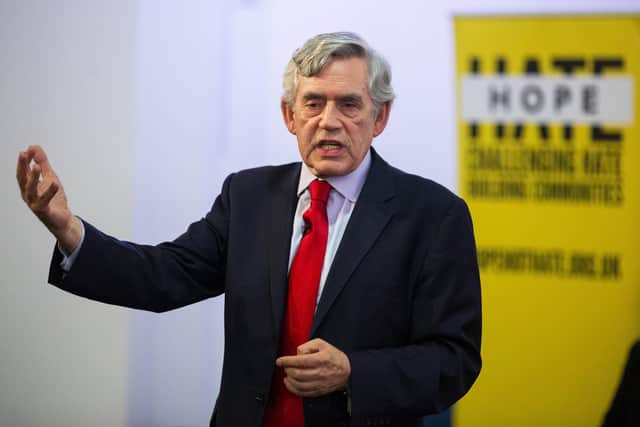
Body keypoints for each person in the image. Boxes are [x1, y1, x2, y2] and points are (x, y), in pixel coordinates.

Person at [16, 32, 481, 427]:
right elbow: (163, 276)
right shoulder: (249, 196)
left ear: (380, 117)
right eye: (313, 103)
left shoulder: (433, 216)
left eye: (349, 105)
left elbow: (454, 360)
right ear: (289, 116)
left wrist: (353, 372)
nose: (329, 121)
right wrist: (69, 229)